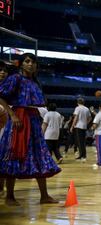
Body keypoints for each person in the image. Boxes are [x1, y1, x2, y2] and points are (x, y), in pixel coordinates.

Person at [0, 53, 61, 206]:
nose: (31, 64)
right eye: (27, 61)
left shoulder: (35, 82)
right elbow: (1, 96)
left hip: (33, 119)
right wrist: (12, 114)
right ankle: (9, 196)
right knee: (14, 154)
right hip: (19, 118)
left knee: (40, 155)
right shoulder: (15, 78)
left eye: (33, 62)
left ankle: (44, 196)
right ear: (21, 64)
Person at [70, 97, 91, 162]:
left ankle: (82, 155)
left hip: (78, 126)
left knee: (79, 142)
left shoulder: (77, 108)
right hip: (84, 126)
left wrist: (72, 126)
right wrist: (86, 123)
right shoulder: (87, 109)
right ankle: (82, 155)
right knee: (83, 142)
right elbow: (90, 118)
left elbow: (76, 118)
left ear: (78, 102)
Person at [0, 61, 9, 197]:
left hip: (5, 127)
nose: (2, 72)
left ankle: (1, 188)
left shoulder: (10, 89)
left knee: (3, 159)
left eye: (4, 70)